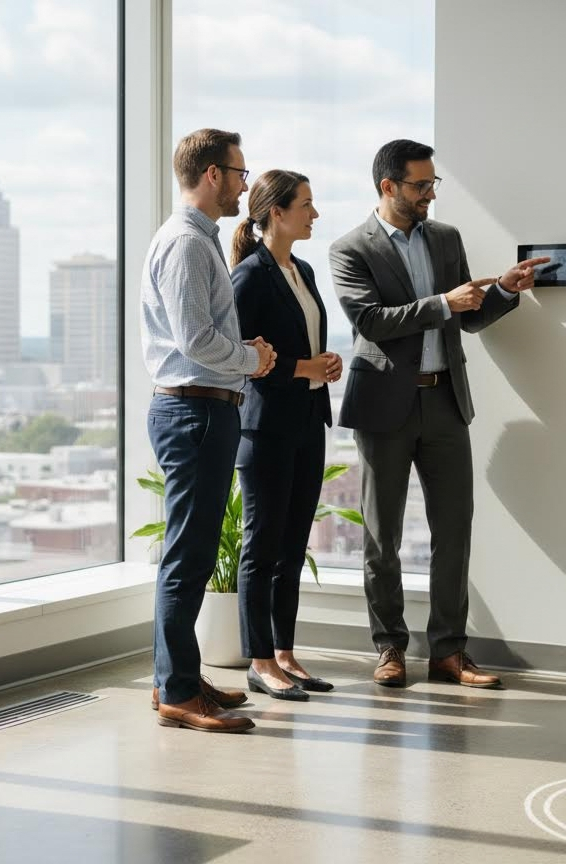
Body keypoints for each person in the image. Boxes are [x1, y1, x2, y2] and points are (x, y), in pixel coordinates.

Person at [329, 139, 548, 689]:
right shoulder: (350, 248)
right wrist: (445, 302)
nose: (430, 194)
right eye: (420, 185)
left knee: (455, 531)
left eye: (433, 184)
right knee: (382, 536)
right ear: (389, 186)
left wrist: (502, 291)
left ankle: (450, 652)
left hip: (446, 400)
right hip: (383, 406)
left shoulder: (446, 239)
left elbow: (468, 318)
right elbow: (371, 322)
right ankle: (389, 648)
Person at [141, 128, 276, 732]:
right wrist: (251, 358)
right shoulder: (187, 244)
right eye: (240, 173)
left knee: (190, 553)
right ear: (213, 174)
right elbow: (194, 339)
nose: (245, 185)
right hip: (194, 411)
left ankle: (177, 677)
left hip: (202, 408)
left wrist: (243, 355)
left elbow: (198, 333)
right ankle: (177, 691)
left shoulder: (197, 240)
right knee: (188, 556)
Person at [229, 170, 342, 700]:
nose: (314, 214)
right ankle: (258, 661)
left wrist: (324, 364)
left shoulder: (303, 270)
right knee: (262, 547)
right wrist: (303, 368)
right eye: (306, 205)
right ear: (276, 212)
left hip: (307, 422)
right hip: (265, 428)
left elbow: (304, 342)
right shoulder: (249, 276)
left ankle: (284, 653)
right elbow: (240, 358)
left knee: (293, 545)